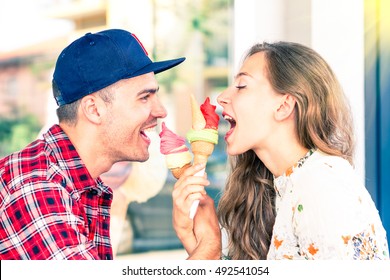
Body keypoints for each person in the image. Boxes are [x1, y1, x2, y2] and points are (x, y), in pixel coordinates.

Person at [172, 41, 389, 260]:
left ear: (284, 106)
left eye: (241, 86)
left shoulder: (321, 185)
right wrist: (197, 241)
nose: (222, 98)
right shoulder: (287, 186)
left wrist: (208, 247)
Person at [0, 29, 185, 260]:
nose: (161, 111)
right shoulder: (39, 187)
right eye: (145, 97)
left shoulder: (85, 184)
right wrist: (204, 254)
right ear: (94, 109)